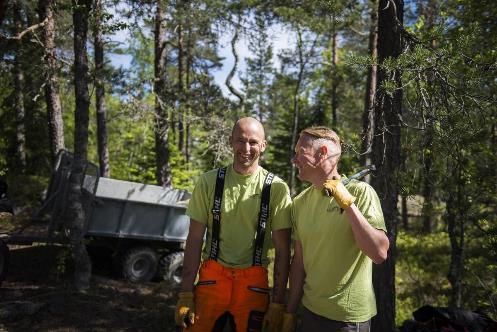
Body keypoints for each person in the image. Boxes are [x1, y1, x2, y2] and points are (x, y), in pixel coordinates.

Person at [175, 117, 292, 332]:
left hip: (253, 283)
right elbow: (193, 240)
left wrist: (277, 304)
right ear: (231, 141)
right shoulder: (209, 182)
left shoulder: (276, 188)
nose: (246, 148)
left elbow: (283, 251)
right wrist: (185, 294)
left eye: (253, 142)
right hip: (212, 280)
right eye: (240, 140)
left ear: (263, 146)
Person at [282, 126, 390, 332]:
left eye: (299, 153)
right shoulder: (299, 203)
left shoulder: (361, 192)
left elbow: (379, 253)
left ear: (322, 153)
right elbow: (298, 262)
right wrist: (290, 311)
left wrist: (348, 204)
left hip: (347, 320)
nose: (294, 160)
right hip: (309, 312)